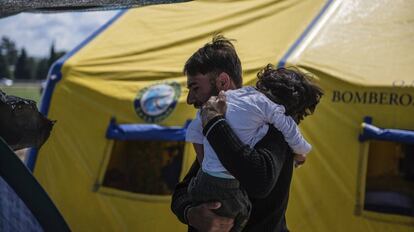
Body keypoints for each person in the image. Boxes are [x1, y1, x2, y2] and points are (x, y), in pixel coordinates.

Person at [171, 35, 323, 232]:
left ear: (223, 82)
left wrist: (214, 122)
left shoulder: (273, 126)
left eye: (195, 87)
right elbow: (183, 190)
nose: (190, 99)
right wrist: (191, 213)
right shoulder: (215, 132)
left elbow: (260, 180)